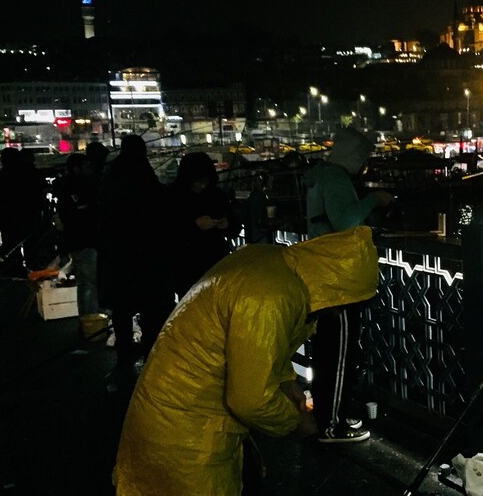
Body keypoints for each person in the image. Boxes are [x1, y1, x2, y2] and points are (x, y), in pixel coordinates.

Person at [113, 226, 378, 494]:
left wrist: (287, 385)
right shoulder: (272, 295)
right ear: (337, 289)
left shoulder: (274, 265)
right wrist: (297, 422)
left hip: (178, 415)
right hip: (186, 436)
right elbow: (250, 400)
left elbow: (262, 347)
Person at [302, 127, 392, 443]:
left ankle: (330, 414)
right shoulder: (337, 179)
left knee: (326, 352)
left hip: (321, 275)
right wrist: (373, 199)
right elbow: (345, 221)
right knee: (338, 355)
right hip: (338, 281)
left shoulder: (318, 177)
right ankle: (332, 425)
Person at [97, 135, 173, 377]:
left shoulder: (111, 175)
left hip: (118, 258)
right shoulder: (145, 174)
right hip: (147, 257)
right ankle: (150, 354)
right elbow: (160, 208)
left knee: (122, 311)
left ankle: (124, 359)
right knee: (151, 309)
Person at [166, 152, 242, 299]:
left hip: (216, 267)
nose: (201, 186)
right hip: (186, 268)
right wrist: (194, 226)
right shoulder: (173, 197)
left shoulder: (215, 195)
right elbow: (166, 232)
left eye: (205, 181)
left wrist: (226, 224)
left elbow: (235, 226)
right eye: (197, 181)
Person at [53, 153, 102, 328]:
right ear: (77, 168)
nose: (89, 169)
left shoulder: (73, 185)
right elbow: (77, 214)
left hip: (79, 240)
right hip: (83, 240)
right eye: (86, 166)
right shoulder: (75, 186)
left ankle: (88, 317)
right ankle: (95, 316)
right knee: (94, 278)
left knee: (85, 282)